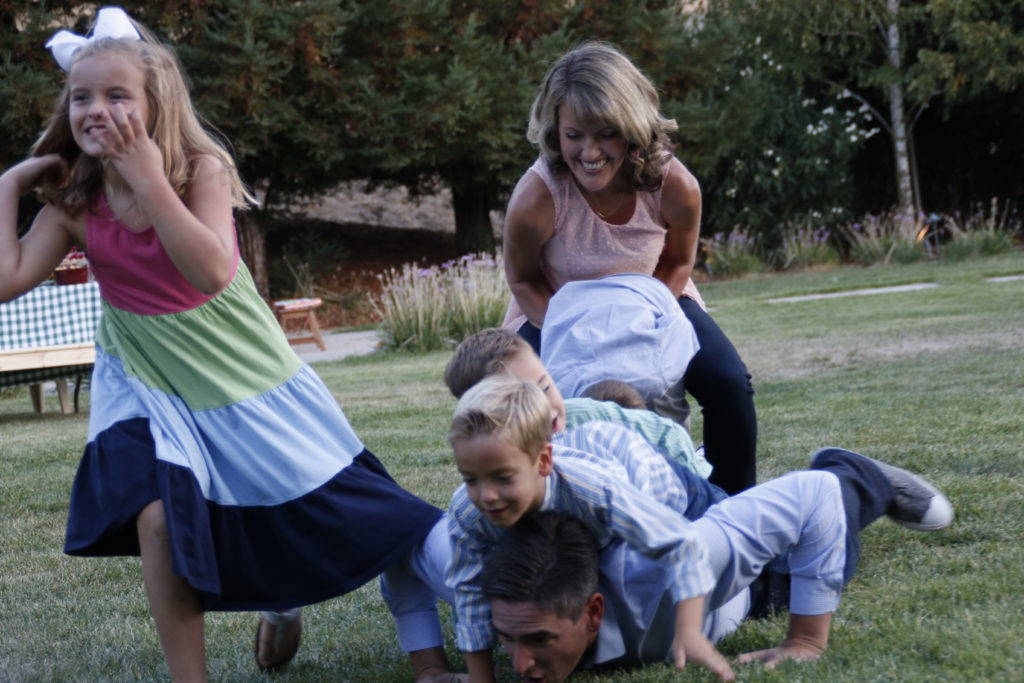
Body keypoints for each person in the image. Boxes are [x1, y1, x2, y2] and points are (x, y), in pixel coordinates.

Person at [0, 8, 443, 680]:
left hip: (240, 372)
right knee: (154, 514)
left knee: (326, 507)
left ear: (157, 105)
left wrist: (148, 177)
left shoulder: (199, 171)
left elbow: (209, 271)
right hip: (145, 375)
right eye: (82, 97)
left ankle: (287, 597)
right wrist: (8, 186)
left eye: (118, 96)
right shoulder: (74, 200)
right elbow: (7, 281)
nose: (96, 110)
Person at [447, 378, 954, 681]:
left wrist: (805, 641)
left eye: (536, 639)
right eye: (473, 479)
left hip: (674, 498)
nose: (519, 665)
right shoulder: (472, 520)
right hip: (597, 488)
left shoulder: (608, 508)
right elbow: (456, 583)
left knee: (801, 538)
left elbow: (684, 545)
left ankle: (856, 474)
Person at [502, 41, 757, 494]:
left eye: (605, 133)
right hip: (556, 310)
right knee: (511, 401)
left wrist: (640, 328)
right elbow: (522, 278)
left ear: (631, 127)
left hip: (656, 298)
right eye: (574, 134)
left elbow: (679, 262)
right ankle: (544, 508)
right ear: (555, 131)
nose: (589, 151)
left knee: (728, 383)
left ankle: (731, 506)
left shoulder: (675, 185)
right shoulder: (538, 195)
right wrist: (579, 337)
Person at [444, 327, 714, 481]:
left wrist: (691, 480)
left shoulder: (590, 418)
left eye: (546, 387)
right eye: (523, 400)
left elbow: (667, 434)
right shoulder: (488, 464)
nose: (547, 408)